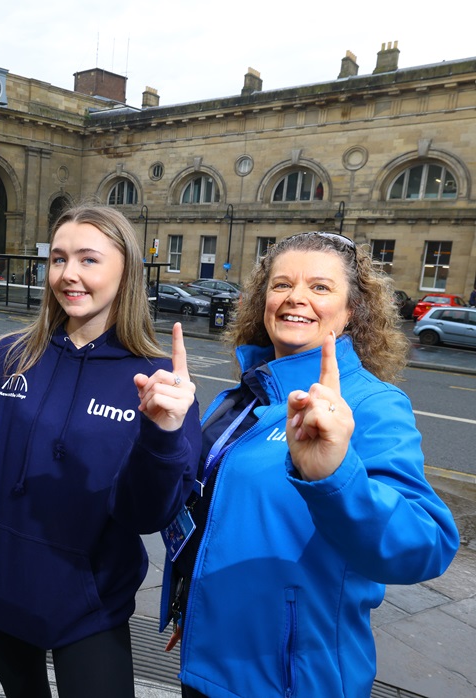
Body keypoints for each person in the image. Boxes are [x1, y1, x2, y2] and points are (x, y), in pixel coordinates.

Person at [164, 231, 459, 698]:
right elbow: (212, 518)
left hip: (292, 679)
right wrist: (195, 607)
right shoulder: (240, 397)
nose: (295, 298)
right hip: (206, 661)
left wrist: (334, 474)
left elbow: (426, 545)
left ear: (350, 313)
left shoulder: (371, 405)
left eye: (320, 287)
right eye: (281, 285)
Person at [0, 204, 201, 698]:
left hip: (92, 606)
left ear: (124, 270)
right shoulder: (8, 358)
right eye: (59, 259)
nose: (69, 275)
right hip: (1, 591)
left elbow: (149, 514)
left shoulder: (160, 381)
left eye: (89, 260)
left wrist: (163, 434)